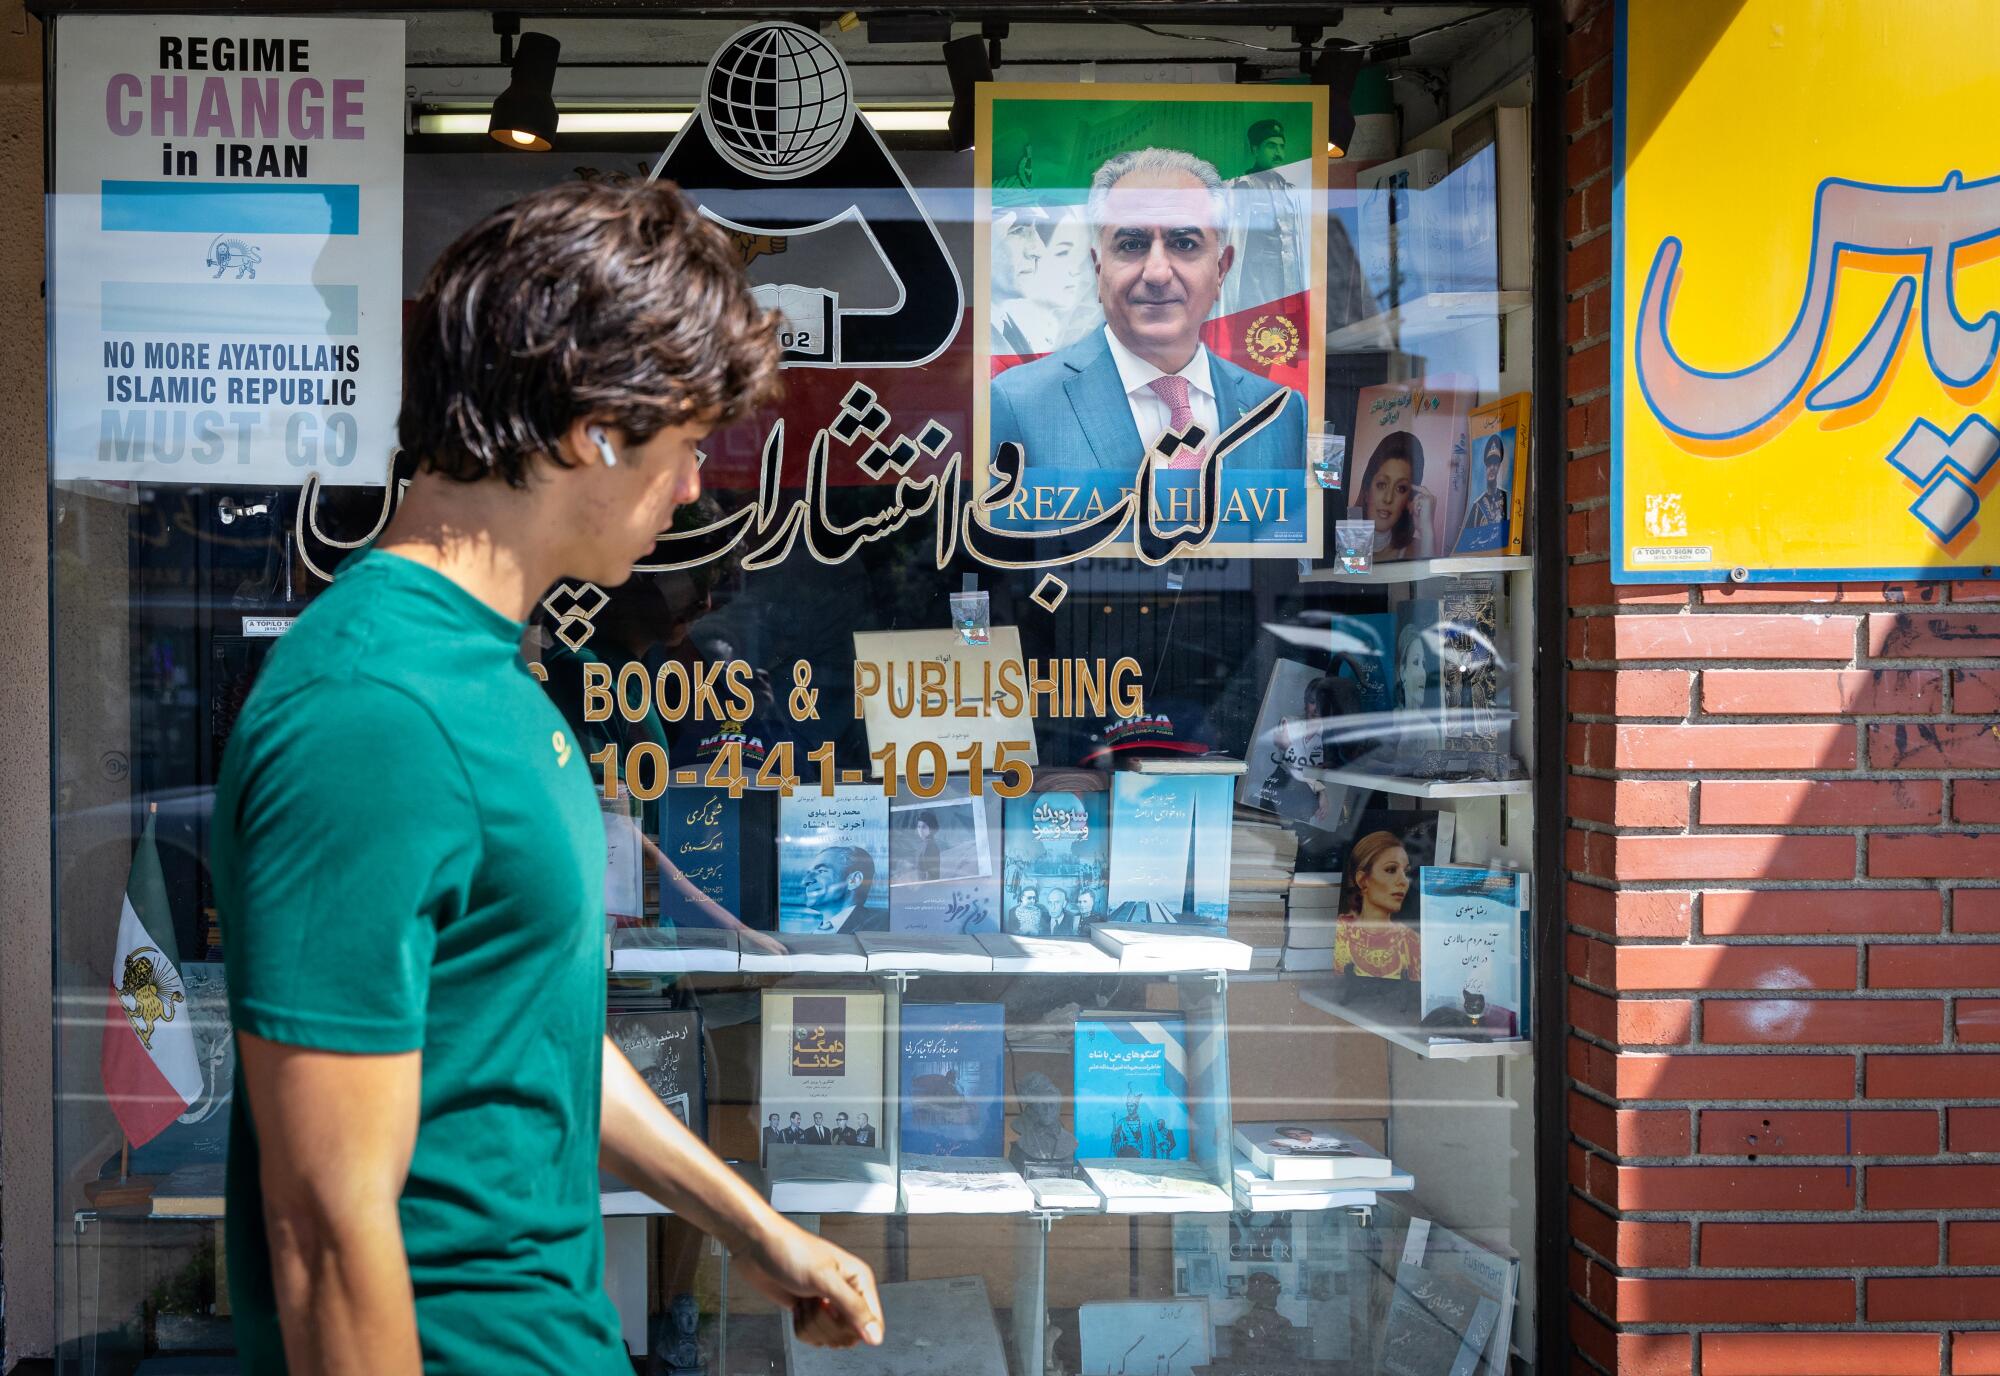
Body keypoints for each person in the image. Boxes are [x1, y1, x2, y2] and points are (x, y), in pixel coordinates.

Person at [212, 181, 885, 1376]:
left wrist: (755, 1229)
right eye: (684, 448)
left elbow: (528, 1032)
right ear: (596, 430)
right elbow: (320, 1228)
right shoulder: (376, 711)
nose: (691, 488)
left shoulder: (487, 675)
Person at [990, 147, 1306, 474]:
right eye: (1132, 244)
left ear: (1221, 269)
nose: (1157, 273)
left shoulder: (1280, 411)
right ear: (1098, 270)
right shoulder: (1018, 405)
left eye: (1184, 244)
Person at [1224, 118, 1306, 319]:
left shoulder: (1290, 190)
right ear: (1255, 149)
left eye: (1281, 146)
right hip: (1254, 284)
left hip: (1288, 281)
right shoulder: (1240, 188)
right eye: (1271, 146)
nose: (1279, 153)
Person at [1333, 830, 1421, 981]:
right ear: (1362, 880)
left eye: (1405, 871)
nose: (1404, 881)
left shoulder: (1411, 941)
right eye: (1391, 869)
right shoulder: (1341, 931)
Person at [1353, 430, 1435, 560]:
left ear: (1409, 499)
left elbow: (1429, 580)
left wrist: (1426, 531)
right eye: (1381, 485)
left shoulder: (1420, 549)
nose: (1388, 498)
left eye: (1400, 488)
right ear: (1367, 490)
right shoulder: (1339, 538)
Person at [799, 845, 889, 933]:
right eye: (808, 873)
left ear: (854, 880)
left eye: (821, 871)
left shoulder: (882, 926)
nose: (805, 881)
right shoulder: (812, 935)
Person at [1456, 434, 1512, 550]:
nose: (1492, 468)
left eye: (1495, 464)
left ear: (1499, 467)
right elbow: (1467, 544)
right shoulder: (1477, 507)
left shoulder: (1507, 497)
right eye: (1489, 464)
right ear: (1485, 467)